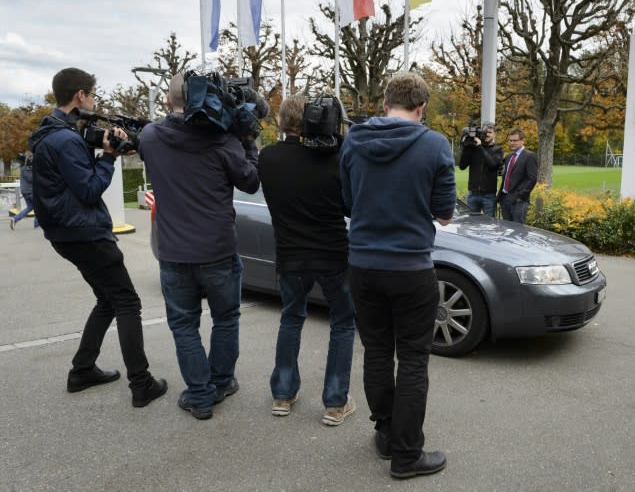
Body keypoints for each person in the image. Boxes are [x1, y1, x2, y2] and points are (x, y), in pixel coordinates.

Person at [340, 72, 456, 479]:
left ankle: (387, 434)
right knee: (412, 360)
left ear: (385, 101)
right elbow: (444, 212)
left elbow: (349, 203)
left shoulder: (354, 139)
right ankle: (407, 455)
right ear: (421, 107)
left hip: (364, 265)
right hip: (410, 268)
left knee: (376, 351)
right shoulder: (434, 144)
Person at [30, 67, 167, 407]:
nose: (93, 101)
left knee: (107, 299)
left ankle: (82, 370)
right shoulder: (65, 140)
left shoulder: (51, 133)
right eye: (92, 95)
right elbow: (90, 190)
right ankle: (141, 383)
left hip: (65, 232)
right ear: (79, 96)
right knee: (127, 301)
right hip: (86, 233)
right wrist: (109, 156)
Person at [139, 73, 261, 420]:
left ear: (168, 99)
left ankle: (200, 395)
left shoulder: (150, 136)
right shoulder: (222, 140)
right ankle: (221, 383)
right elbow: (250, 181)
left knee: (184, 325)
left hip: (174, 253)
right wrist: (248, 140)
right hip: (218, 250)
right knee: (225, 319)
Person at [258, 94, 357, 426]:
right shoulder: (335, 158)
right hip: (333, 254)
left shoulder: (268, 157)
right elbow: (350, 207)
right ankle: (334, 403)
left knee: (291, 318)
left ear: (284, 122)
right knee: (342, 324)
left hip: (290, 256)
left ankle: (283, 395)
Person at [458, 122, 503, 216]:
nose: (486, 134)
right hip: (472, 194)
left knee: (489, 225)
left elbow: (493, 164)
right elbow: (462, 166)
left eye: (489, 132)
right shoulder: (474, 148)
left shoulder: (497, 149)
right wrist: (467, 147)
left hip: (488, 195)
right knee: (471, 225)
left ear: (495, 134)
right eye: (485, 132)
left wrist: (480, 147)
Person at [497, 129, 538, 223]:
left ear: (522, 140)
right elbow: (505, 177)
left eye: (515, 140)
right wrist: (500, 197)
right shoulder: (508, 157)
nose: (512, 143)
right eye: (510, 140)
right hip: (505, 199)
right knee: (507, 229)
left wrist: (520, 196)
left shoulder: (530, 156)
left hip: (518, 201)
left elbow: (532, 179)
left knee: (518, 232)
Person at [10, 151, 38, 229]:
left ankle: (15, 219)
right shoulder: (26, 168)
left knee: (30, 207)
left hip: (26, 191)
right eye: (30, 157)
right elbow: (31, 179)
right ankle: (37, 225)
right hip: (30, 191)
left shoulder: (25, 167)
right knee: (39, 207)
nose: (32, 158)